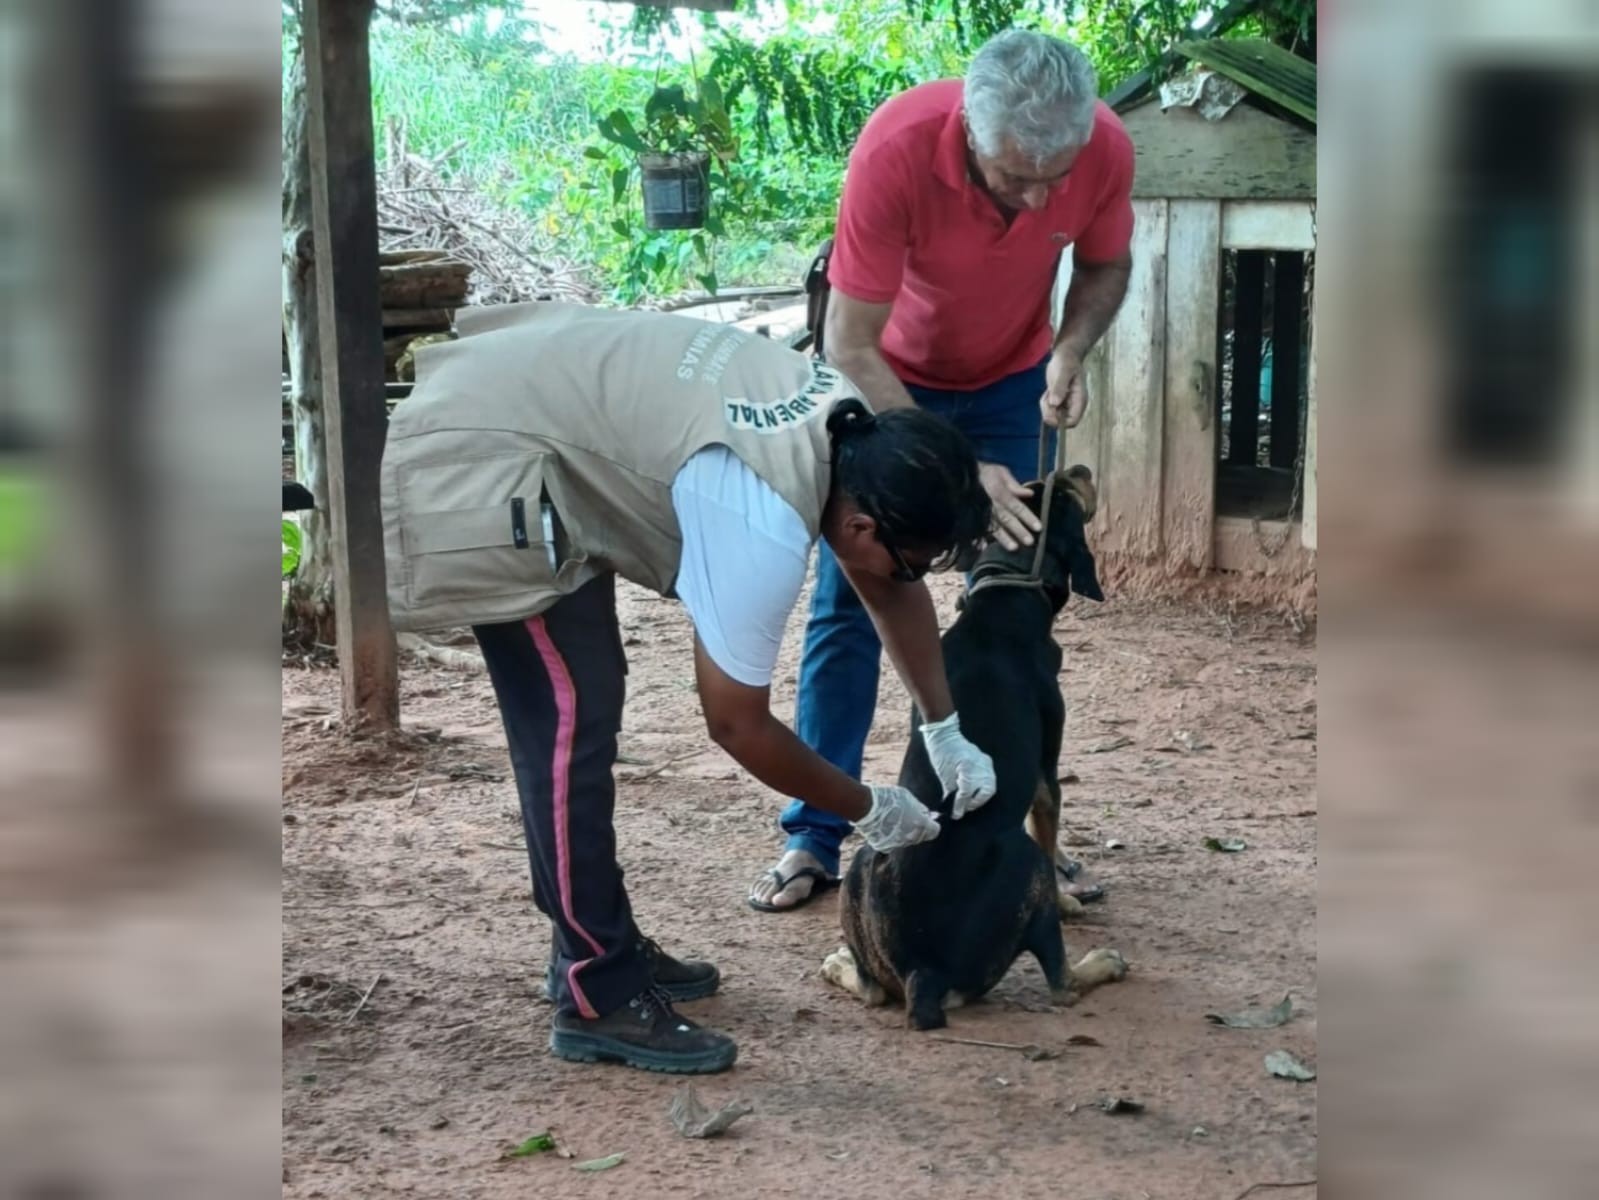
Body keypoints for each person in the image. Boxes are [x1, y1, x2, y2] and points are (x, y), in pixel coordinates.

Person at [381, 300, 998, 1075]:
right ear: (865, 528)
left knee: (585, 708)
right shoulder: (763, 522)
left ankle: (593, 942)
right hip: (489, 443)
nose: (913, 579)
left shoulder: (856, 435)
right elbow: (736, 723)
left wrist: (944, 726)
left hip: (556, 408)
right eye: (914, 559)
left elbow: (887, 584)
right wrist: (869, 809)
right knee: (570, 726)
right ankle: (595, 991)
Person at [750, 28, 1136, 913]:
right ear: (967, 128)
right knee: (855, 598)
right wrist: (960, 474)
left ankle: (1014, 834)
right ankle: (817, 835)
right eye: (1014, 178)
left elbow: (1105, 261)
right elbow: (848, 341)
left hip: (1009, 379)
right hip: (891, 379)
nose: (1040, 196)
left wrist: (1070, 349)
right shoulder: (896, 150)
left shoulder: (1103, 147)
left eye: (1055, 177)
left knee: (1009, 607)